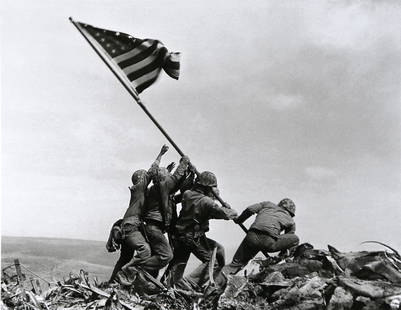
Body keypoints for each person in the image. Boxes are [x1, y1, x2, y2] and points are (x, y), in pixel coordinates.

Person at [107, 145, 169, 282]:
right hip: (131, 226)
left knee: (125, 258)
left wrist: (166, 172)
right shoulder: (140, 188)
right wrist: (161, 154)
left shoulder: (140, 192)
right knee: (145, 250)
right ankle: (125, 274)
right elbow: (152, 171)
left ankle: (112, 282)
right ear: (140, 179)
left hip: (128, 226)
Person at [164, 171, 237, 288]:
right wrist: (229, 209)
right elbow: (226, 214)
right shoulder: (206, 202)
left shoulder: (187, 194)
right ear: (208, 188)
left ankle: (168, 285)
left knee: (218, 251)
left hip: (182, 234)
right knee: (213, 263)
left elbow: (204, 210)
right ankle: (187, 284)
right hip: (192, 237)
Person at [122, 155, 191, 277]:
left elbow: (178, 188)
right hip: (153, 228)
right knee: (166, 255)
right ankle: (133, 269)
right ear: (163, 178)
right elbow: (174, 179)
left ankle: (142, 279)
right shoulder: (160, 186)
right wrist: (184, 162)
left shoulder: (159, 190)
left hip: (153, 228)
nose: (169, 176)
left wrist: (189, 175)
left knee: (158, 256)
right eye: (167, 175)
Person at [222, 198, 300, 275]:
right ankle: (280, 260)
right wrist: (281, 256)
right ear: (291, 212)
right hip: (269, 242)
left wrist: (239, 220)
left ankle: (216, 279)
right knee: (295, 239)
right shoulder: (291, 221)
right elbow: (288, 238)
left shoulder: (267, 204)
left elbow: (250, 209)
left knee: (235, 265)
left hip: (252, 237)